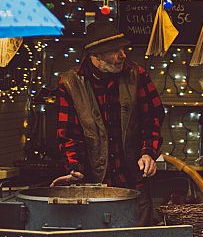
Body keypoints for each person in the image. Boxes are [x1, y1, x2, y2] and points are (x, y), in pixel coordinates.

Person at [52, 22, 165, 226]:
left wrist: (148, 152)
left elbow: (153, 119)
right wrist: (74, 167)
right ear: (95, 55)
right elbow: (67, 134)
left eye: (123, 49)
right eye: (115, 51)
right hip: (93, 188)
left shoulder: (137, 75)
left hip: (133, 183)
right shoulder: (70, 83)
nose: (123, 55)